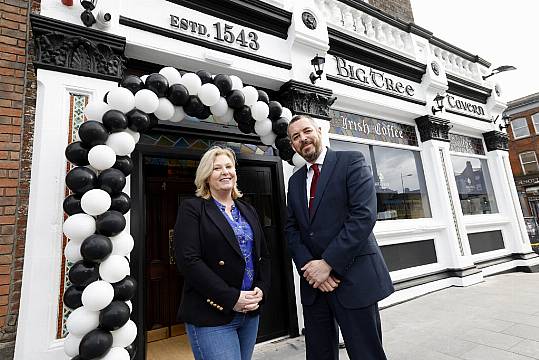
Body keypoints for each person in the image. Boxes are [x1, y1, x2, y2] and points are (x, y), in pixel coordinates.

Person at [285, 115, 394, 360]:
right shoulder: (294, 181)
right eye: (295, 137)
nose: (302, 138)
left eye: (306, 131)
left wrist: (328, 264)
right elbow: (292, 230)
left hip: (354, 278)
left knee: (366, 354)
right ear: (293, 146)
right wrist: (312, 270)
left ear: (319, 131)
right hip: (315, 285)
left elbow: (363, 216)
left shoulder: (351, 161)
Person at [174, 146, 271, 360]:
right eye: (217, 168)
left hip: (250, 313)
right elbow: (188, 261)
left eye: (229, 166)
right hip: (212, 314)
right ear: (206, 177)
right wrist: (231, 297)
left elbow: (263, 256)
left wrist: (262, 290)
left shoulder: (248, 210)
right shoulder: (193, 208)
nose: (225, 172)